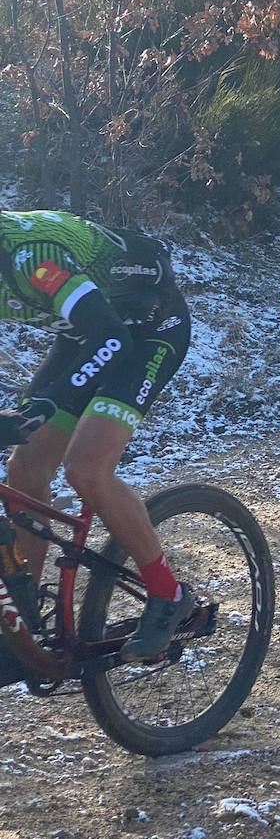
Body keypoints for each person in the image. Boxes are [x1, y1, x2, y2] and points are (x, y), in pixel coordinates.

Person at [0, 210, 193, 662]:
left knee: (85, 468)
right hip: (86, 329)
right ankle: (26, 614)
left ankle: (168, 594)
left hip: (146, 331)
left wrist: (48, 403)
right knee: (25, 465)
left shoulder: (34, 259)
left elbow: (111, 338)